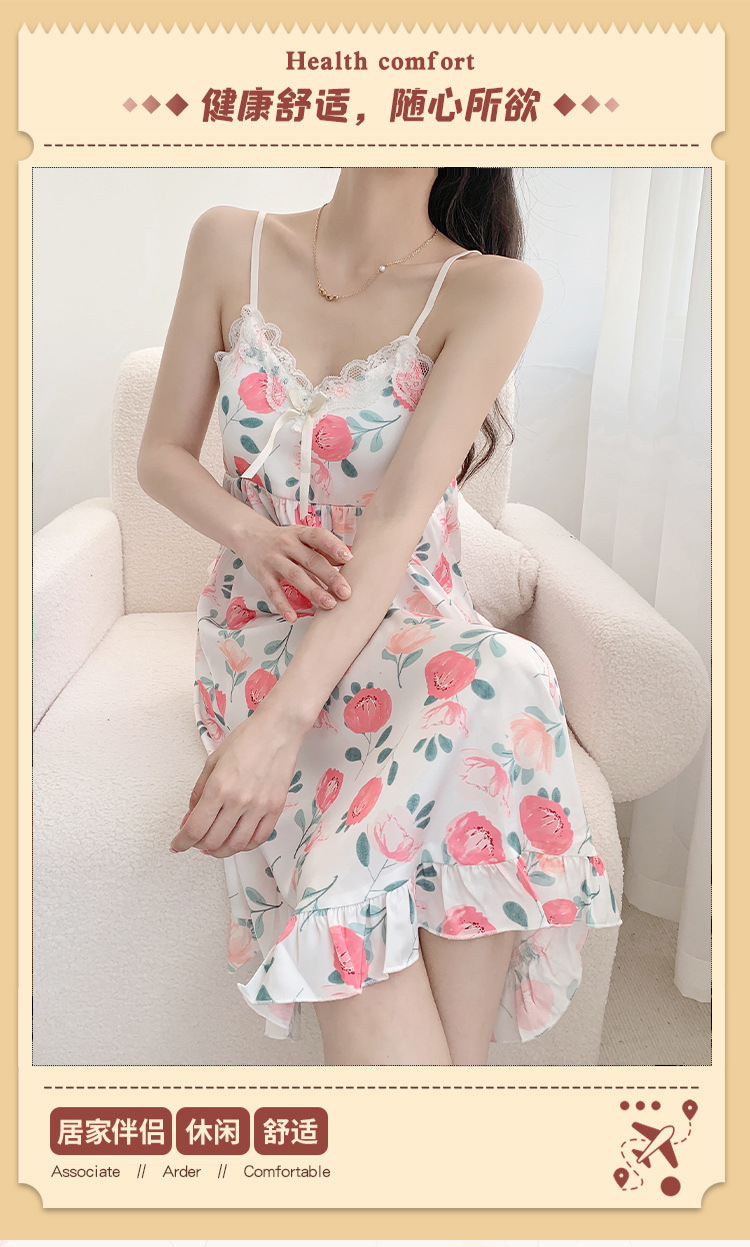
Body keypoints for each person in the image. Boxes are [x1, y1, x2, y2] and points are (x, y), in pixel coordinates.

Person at [137, 167, 622, 1067]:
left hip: (413, 627)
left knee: (504, 672)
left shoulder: (492, 288)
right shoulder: (229, 240)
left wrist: (279, 730)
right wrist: (253, 533)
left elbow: (398, 519)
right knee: (496, 683)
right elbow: (161, 456)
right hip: (261, 625)